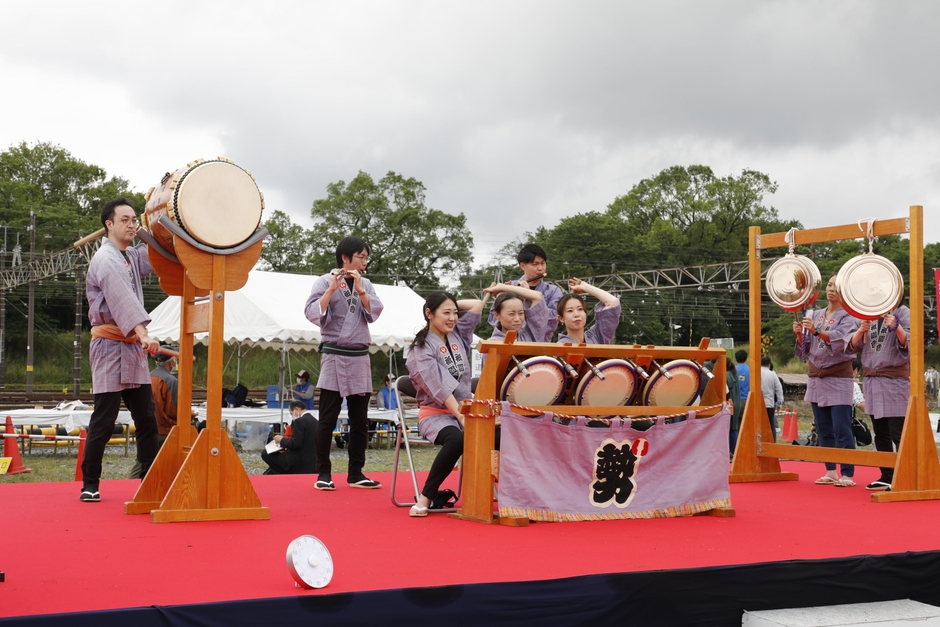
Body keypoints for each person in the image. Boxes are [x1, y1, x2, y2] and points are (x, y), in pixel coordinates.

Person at [81, 197, 160, 502]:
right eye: (125, 220)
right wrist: (142, 333)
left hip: (132, 347)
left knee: (146, 417)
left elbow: (154, 256)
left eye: (134, 219)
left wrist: (155, 229)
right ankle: (90, 482)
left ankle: (149, 479)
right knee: (105, 417)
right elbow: (121, 299)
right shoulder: (105, 259)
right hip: (110, 345)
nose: (131, 224)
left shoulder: (128, 257)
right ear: (109, 224)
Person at [305, 236, 384, 490]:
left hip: (359, 356)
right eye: (361, 256)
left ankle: (356, 472)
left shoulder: (366, 284)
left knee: (360, 418)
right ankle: (323, 474)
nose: (364, 261)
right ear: (345, 257)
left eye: (365, 257)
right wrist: (330, 288)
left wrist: (360, 290)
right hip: (334, 353)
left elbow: (374, 314)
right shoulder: (324, 281)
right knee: (327, 418)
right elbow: (312, 312)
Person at [405, 291, 484, 517]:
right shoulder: (420, 349)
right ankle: (425, 497)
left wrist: (448, 304)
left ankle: (510, 494)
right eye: (446, 313)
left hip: (464, 411)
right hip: (436, 415)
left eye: (455, 313)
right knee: (457, 439)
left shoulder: (458, 334)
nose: (452, 318)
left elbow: (478, 305)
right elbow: (438, 386)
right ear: (429, 314)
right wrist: (460, 416)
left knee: (499, 436)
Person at [794, 273, 860, 487]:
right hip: (817, 378)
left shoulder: (850, 316)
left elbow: (841, 341)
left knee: (842, 427)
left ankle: (847, 473)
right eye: (830, 285)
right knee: (822, 427)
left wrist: (816, 330)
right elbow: (807, 348)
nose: (831, 289)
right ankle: (831, 470)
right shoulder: (817, 313)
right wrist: (800, 335)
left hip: (838, 377)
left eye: (836, 286)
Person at [848, 305, 911, 491]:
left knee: (898, 432)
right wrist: (861, 329)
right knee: (880, 432)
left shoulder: (903, 311)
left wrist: (897, 327)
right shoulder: (868, 313)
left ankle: (905, 474)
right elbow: (853, 346)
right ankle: (887, 474)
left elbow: (910, 343)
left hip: (894, 381)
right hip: (872, 381)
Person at [129, 347, 193, 478]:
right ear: (172, 361)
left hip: (146, 428)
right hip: (166, 431)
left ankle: (130, 487)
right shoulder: (171, 381)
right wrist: (191, 413)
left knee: (141, 464)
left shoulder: (146, 377)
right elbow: (174, 410)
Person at [487, 243, 563, 342]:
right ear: (523, 266)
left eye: (543, 263)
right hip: (507, 343)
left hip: (539, 345)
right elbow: (494, 319)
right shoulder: (509, 287)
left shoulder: (553, 291)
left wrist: (528, 298)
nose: (540, 268)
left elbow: (551, 322)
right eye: (535, 264)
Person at [556, 278, 621, 345]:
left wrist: (585, 286)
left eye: (580, 309)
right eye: (570, 311)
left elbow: (613, 303)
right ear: (561, 318)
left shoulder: (596, 336)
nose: (576, 314)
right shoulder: (559, 346)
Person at [261, 400, 319, 475]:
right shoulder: (316, 421)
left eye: (291, 414)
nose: (292, 416)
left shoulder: (300, 421)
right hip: (312, 461)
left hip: (298, 460)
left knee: (266, 454)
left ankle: (282, 472)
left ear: (297, 409)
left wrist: (281, 440)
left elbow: (296, 443)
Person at [759, 356, 784, 442]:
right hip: (769, 403)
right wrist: (779, 403)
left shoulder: (755, 373)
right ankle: (772, 441)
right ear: (769, 365)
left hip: (757, 403)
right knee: (771, 424)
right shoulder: (772, 374)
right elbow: (779, 389)